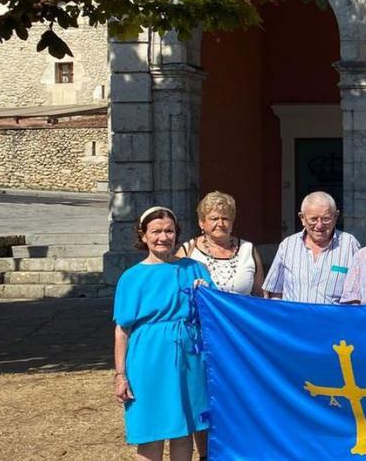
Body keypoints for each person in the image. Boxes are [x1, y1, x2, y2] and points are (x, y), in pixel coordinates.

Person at [113, 206, 215, 461]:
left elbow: (215, 315)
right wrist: (120, 375)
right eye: (156, 231)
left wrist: (207, 296)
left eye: (169, 231)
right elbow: (122, 330)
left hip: (189, 359)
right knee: (151, 432)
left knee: (183, 431)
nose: (163, 237)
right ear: (144, 235)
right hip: (149, 359)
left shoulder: (196, 269)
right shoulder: (132, 277)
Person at [262, 191, 361, 303]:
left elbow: (358, 294)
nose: (319, 225)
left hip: (333, 320)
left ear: (335, 217)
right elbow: (273, 291)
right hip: (294, 319)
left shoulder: (349, 245)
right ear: (302, 218)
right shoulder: (288, 246)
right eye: (313, 219)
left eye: (325, 219)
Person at [177, 191, 264, 296]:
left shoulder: (248, 249)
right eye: (214, 219)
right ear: (201, 223)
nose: (220, 224)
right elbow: (177, 290)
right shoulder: (188, 250)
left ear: (232, 222)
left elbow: (260, 296)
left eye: (225, 219)